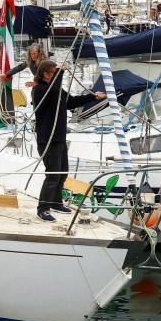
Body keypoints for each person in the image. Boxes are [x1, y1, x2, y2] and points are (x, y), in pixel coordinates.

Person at [31, 59, 106, 222]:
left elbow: (71, 102)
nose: (57, 76)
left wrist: (93, 97)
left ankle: (55, 202)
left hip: (59, 138)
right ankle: (42, 209)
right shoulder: (39, 90)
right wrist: (60, 73)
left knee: (62, 172)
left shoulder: (57, 90)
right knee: (52, 176)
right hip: (47, 140)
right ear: (46, 74)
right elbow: (52, 91)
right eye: (54, 73)